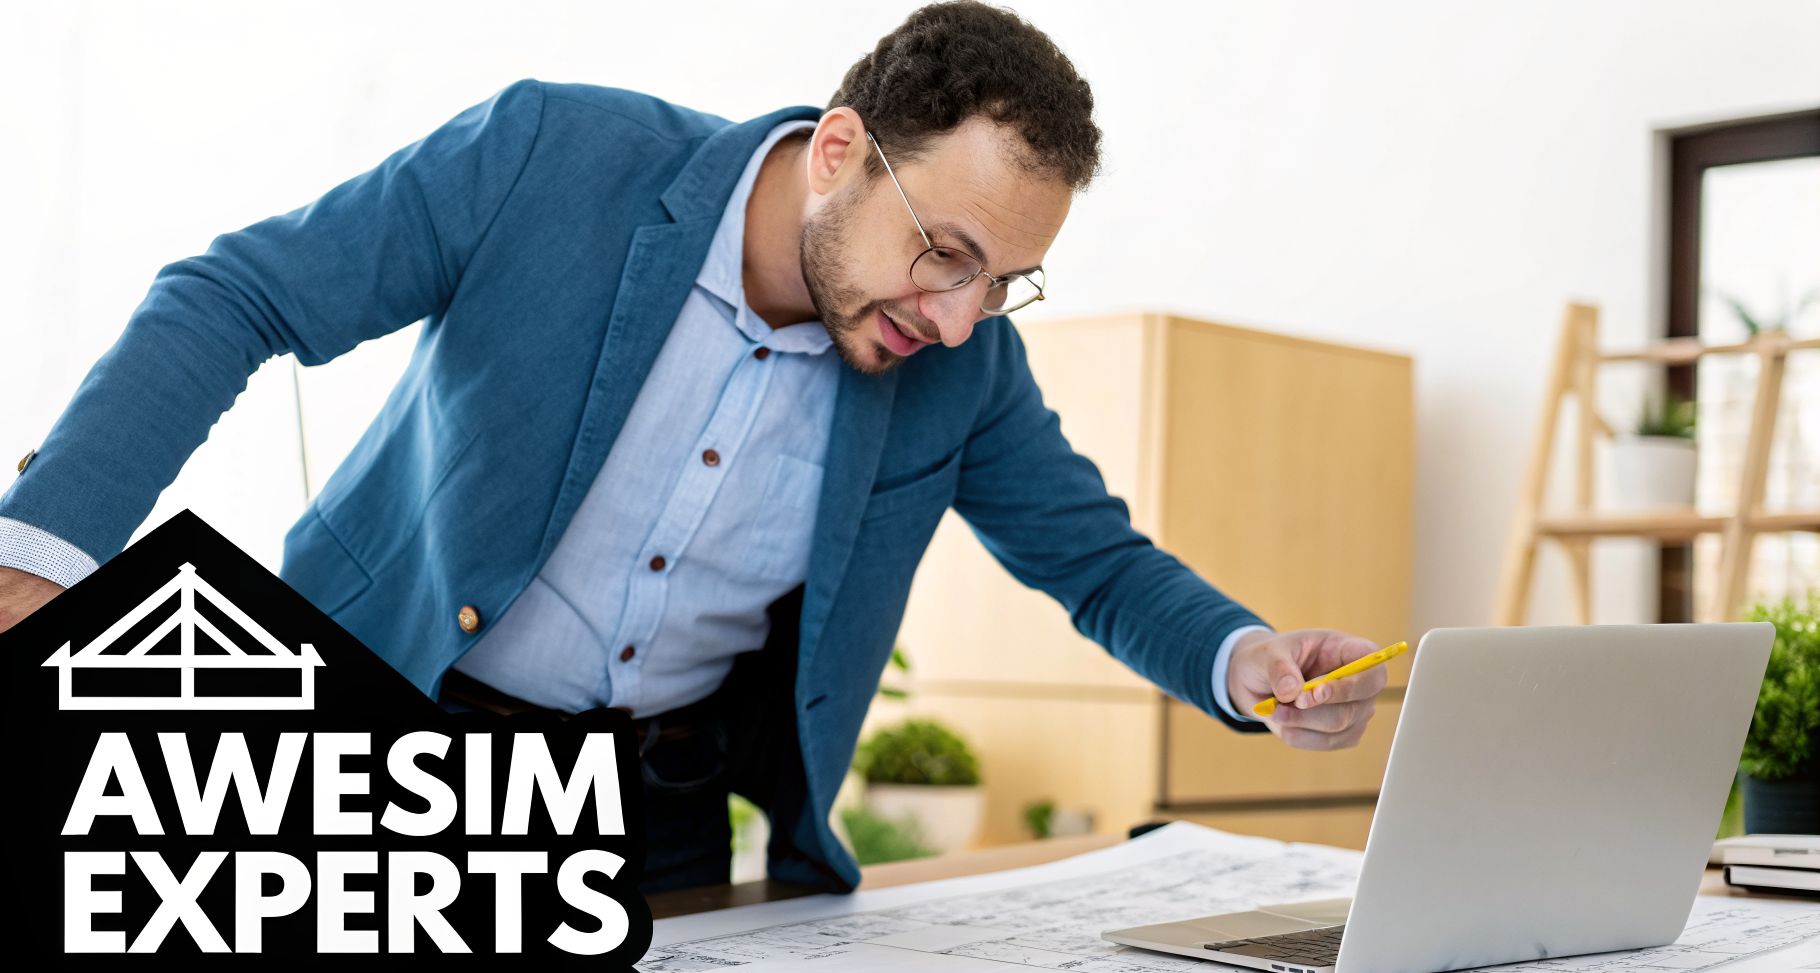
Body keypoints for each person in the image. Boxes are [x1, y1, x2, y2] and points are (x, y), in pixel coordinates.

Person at [0, 1, 1388, 893]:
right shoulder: (553, 156)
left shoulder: (964, 366)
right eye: (945, 255)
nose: (961, 318)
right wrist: (46, 557)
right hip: (396, 749)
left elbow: (1092, 561)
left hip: (652, 813)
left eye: (1003, 282)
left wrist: (1241, 658)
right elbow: (238, 293)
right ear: (841, 149)